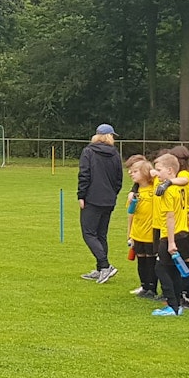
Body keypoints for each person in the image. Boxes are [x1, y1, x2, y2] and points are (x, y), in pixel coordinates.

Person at [76, 124, 123, 282]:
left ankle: (104, 265)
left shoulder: (88, 152)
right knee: (101, 235)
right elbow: (119, 179)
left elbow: (84, 174)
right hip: (109, 200)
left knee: (89, 233)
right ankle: (100, 268)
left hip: (92, 198)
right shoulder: (115, 154)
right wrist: (112, 194)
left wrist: (81, 195)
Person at [151, 153, 189, 316]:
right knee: (174, 270)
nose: (157, 173)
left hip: (171, 235)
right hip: (183, 233)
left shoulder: (168, 191)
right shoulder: (180, 186)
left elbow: (170, 216)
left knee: (160, 268)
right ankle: (178, 304)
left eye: (159, 170)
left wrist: (170, 242)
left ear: (169, 170)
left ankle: (172, 306)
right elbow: (186, 180)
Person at [121, 156, 160, 299]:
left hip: (151, 233)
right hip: (138, 232)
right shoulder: (135, 193)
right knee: (141, 260)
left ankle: (152, 288)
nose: (131, 173)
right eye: (131, 171)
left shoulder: (154, 189)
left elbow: (158, 180)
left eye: (135, 171)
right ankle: (144, 286)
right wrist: (130, 233)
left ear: (145, 173)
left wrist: (154, 173)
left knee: (151, 261)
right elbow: (130, 213)